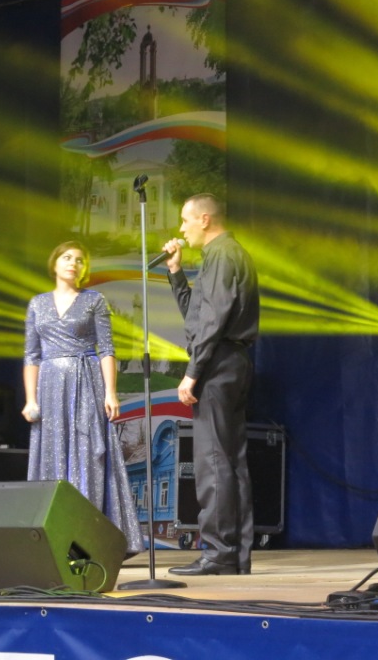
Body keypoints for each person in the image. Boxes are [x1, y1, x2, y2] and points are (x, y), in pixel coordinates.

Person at [159, 193, 259, 576]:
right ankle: (234, 555)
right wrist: (175, 272)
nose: (181, 228)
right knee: (231, 460)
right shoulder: (225, 254)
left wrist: (193, 371)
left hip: (218, 362)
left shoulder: (222, 255)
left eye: (185, 220)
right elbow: (197, 317)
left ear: (204, 219)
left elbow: (213, 321)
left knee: (213, 460)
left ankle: (218, 553)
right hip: (230, 361)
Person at [21, 240, 143, 553]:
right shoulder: (37, 304)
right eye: (67, 257)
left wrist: (111, 392)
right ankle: (52, 535)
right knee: (53, 455)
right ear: (54, 263)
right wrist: (31, 399)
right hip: (50, 389)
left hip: (85, 384)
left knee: (88, 455)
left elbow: (107, 349)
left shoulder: (93, 300)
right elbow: (32, 355)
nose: (73, 263)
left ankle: (89, 536)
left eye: (79, 259)